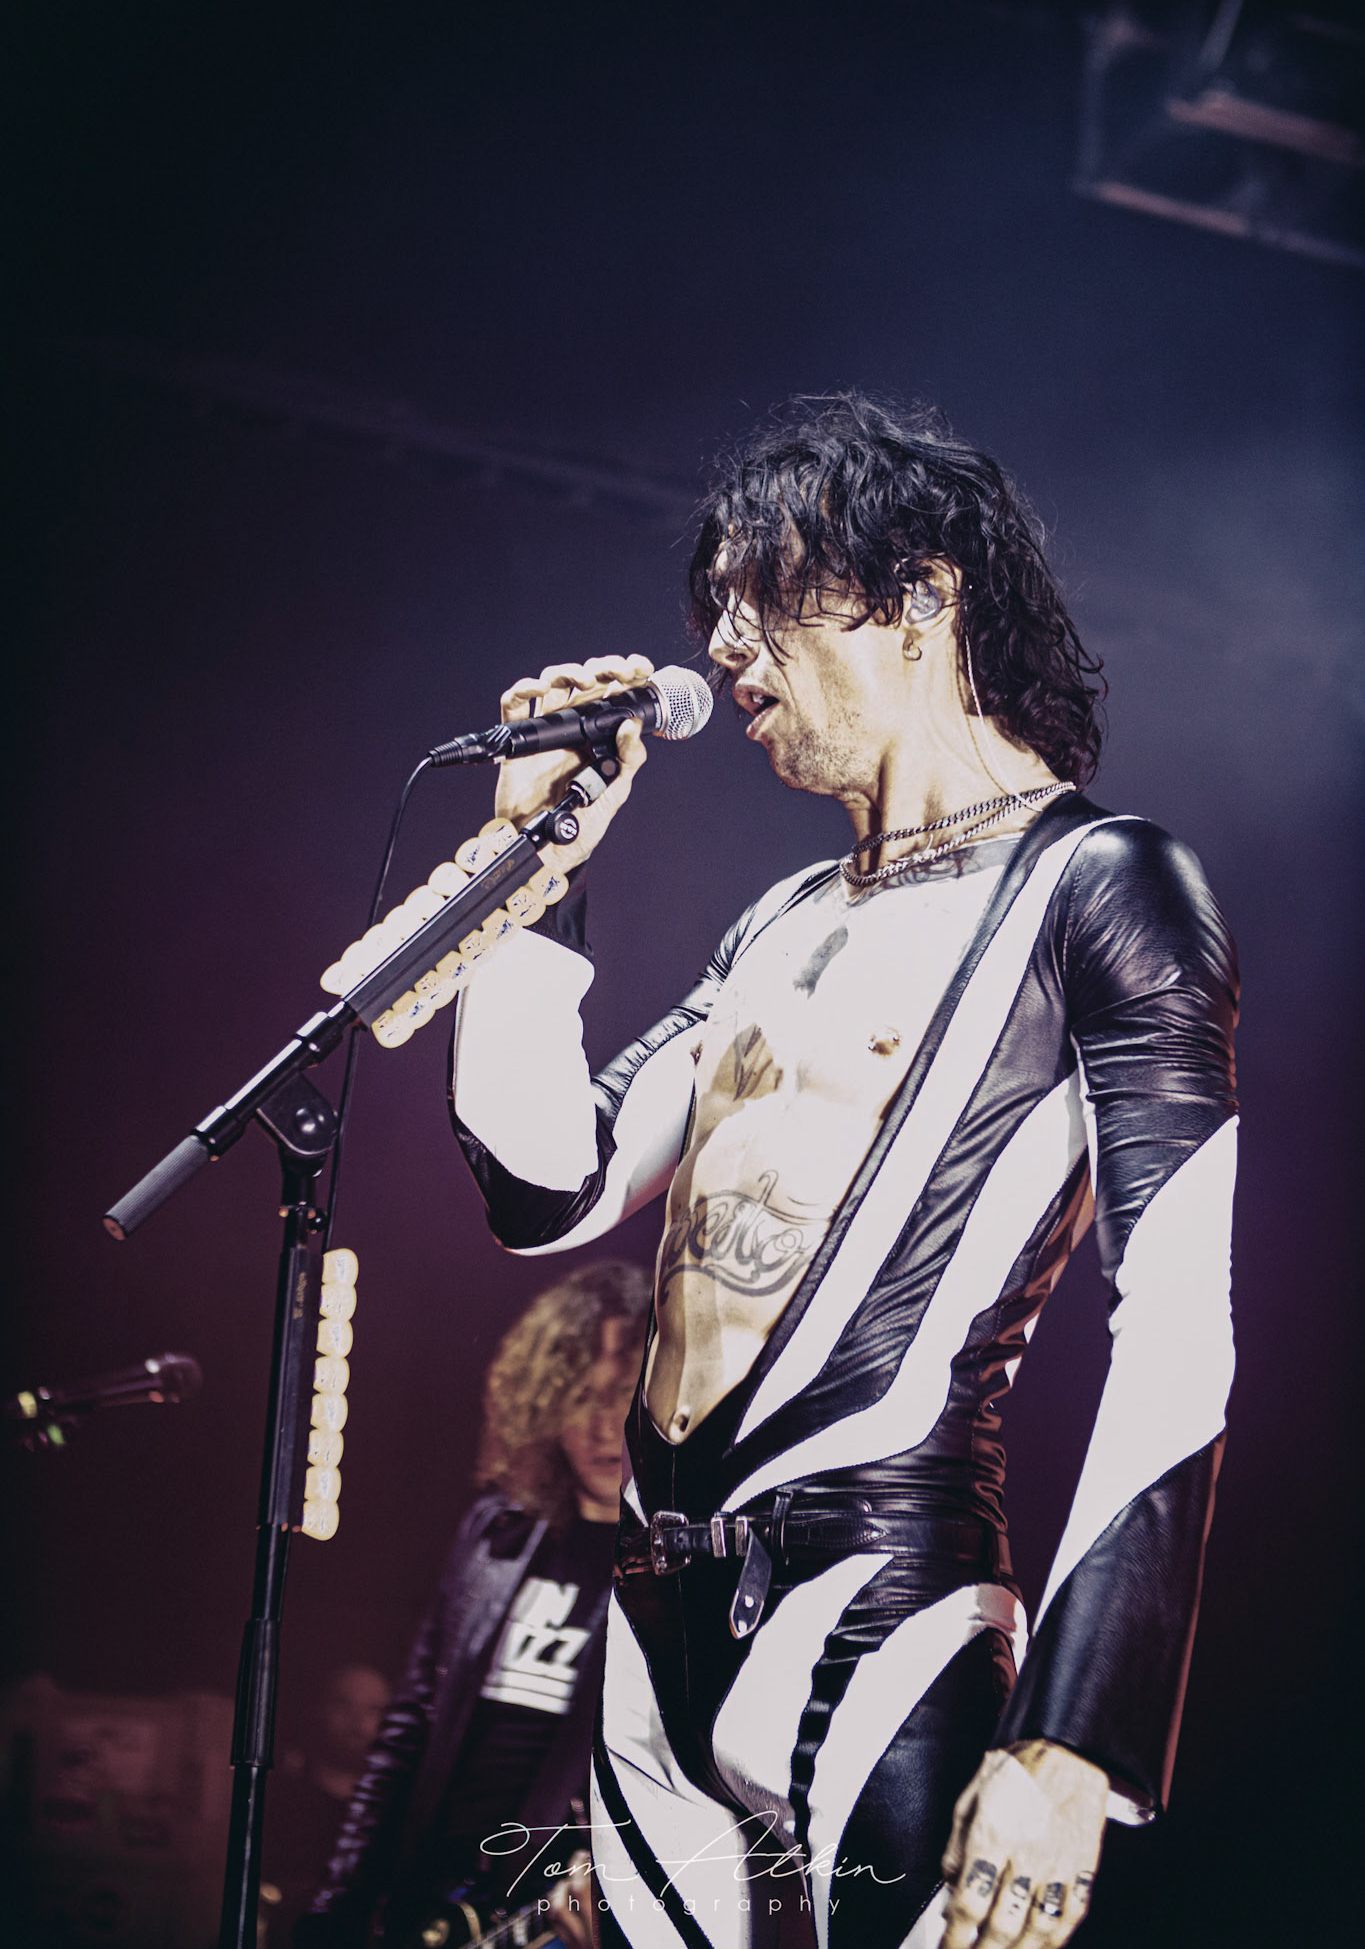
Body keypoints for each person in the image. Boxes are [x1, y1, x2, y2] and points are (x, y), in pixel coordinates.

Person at [447, 393, 1239, 1949]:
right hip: (652, 1624)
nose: (723, 646)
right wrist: (538, 874)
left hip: (881, 1601)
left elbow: (1177, 1326)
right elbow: (543, 1189)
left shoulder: (1102, 886)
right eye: (713, 607)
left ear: (923, 593)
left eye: (764, 593)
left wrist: (1074, 1739)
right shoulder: (778, 922)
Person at [298, 1256, 650, 1948]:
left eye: (621, 1394)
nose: (603, 1424)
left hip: (549, 1909)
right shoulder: (494, 1533)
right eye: (580, 1395)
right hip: (429, 1899)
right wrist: (339, 1902)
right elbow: (406, 1734)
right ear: (545, 1402)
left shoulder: (675, 1568)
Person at [261, 1665, 393, 1943]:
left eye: (373, 1709)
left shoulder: (396, 1813)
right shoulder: (278, 1805)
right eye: (343, 1704)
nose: (357, 1722)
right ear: (318, 1710)